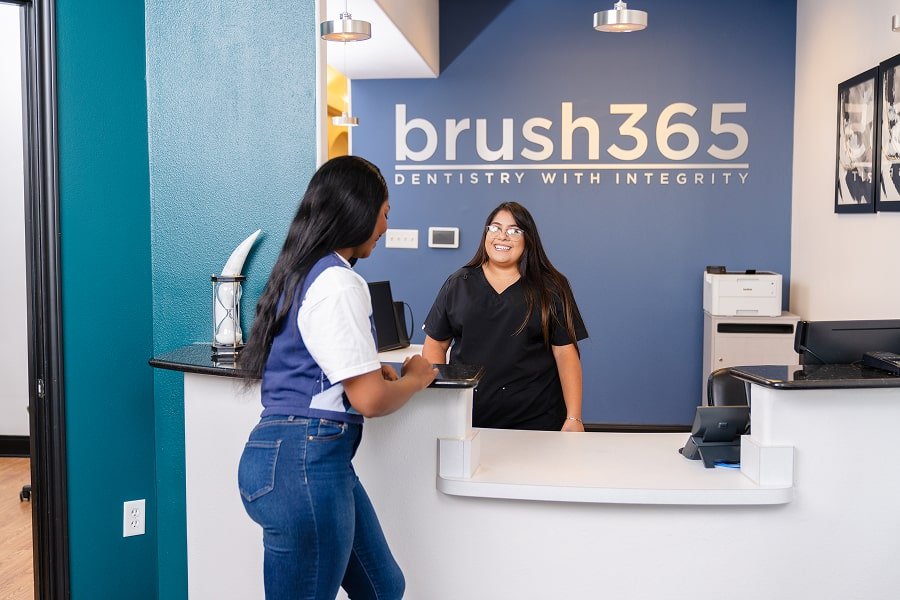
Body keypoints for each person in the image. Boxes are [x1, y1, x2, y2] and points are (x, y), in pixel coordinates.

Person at [236, 155, 437, 600]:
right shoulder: (339, 282)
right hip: (305, 463)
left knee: (383, 587)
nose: (385, 227)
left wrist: (365, 368)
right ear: (358, 211)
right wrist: (416, 377)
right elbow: (370, 400)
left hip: (291, 459)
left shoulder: (299, 273)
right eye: (384, 214)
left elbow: (312, 358)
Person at [422, 201, 588, 432]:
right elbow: (435, 345)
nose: (502, 236)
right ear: (486, 234)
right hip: (469, 415)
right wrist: (441, 403)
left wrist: (574, 417)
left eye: (514, 231)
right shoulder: (459, 284)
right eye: (495, 228)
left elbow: (565, 353)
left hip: (536, 419)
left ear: (528, 239)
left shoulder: (551, 288)